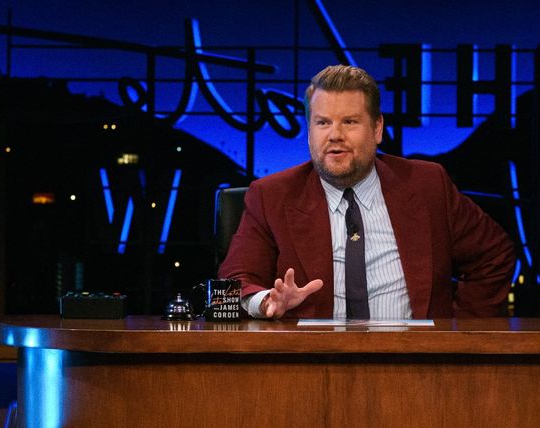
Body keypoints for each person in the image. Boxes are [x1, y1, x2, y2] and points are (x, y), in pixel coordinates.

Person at [219, 64, 516, 320]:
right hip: (312, 368)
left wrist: (458, 334)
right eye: (322, 123)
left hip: (415, 365)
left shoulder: (427, 185)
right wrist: (266, 302)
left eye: (349, 122)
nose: (335, 135)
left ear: (377, 129)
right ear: (309, 131)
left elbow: (494, 255)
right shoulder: (272, 196)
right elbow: (233, 283)